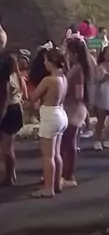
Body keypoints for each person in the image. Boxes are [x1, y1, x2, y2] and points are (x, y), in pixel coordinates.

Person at [29, 48, 68, 198]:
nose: (44, 63)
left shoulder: (48, 80)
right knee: (56, 153)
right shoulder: (63, 78)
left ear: (52, 62)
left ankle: (48, 188)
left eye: (46, 60)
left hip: (50, 116)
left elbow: (33, 97)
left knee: (47, 156)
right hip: (61, 114)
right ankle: (57, 184)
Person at [61, 38, 92, 188]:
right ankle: (63, 173)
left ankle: (69, 176)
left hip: (74, 108)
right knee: (66, 142)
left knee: (70, 142)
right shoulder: (76, 67)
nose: (67, 54)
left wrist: (64, 93)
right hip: (71, 107)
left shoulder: (79, 69)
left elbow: (79, 93)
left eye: (68, 52)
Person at [0, 54, 26, 185]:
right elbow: (23, 92)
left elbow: (4, 101)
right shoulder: (16, 75)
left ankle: (10, 176)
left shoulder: (7, 80)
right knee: (7, 147)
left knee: (6, 148)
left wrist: (1, 117)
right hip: (16, 109)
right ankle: (11, 173)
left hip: (9, 112)